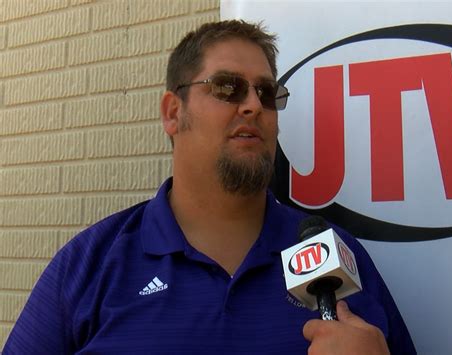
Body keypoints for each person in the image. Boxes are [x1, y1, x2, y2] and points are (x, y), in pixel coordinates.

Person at [4, 20, 416, 354]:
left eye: (267, 92)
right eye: (227, 87)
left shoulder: (339, 255)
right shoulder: (88, 266)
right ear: (172, 112)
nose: (253, 104)